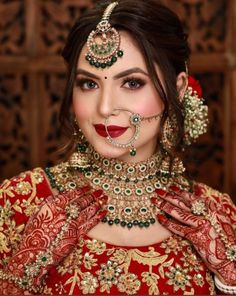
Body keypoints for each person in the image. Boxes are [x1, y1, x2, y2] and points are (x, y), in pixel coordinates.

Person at [0, 0, 235, 295]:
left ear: (178, 88)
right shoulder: (20, 203)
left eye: (133, 83)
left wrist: (229, 279)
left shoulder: (217, 217)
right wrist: (19, 273)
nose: (105, 107)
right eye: (89, 84)